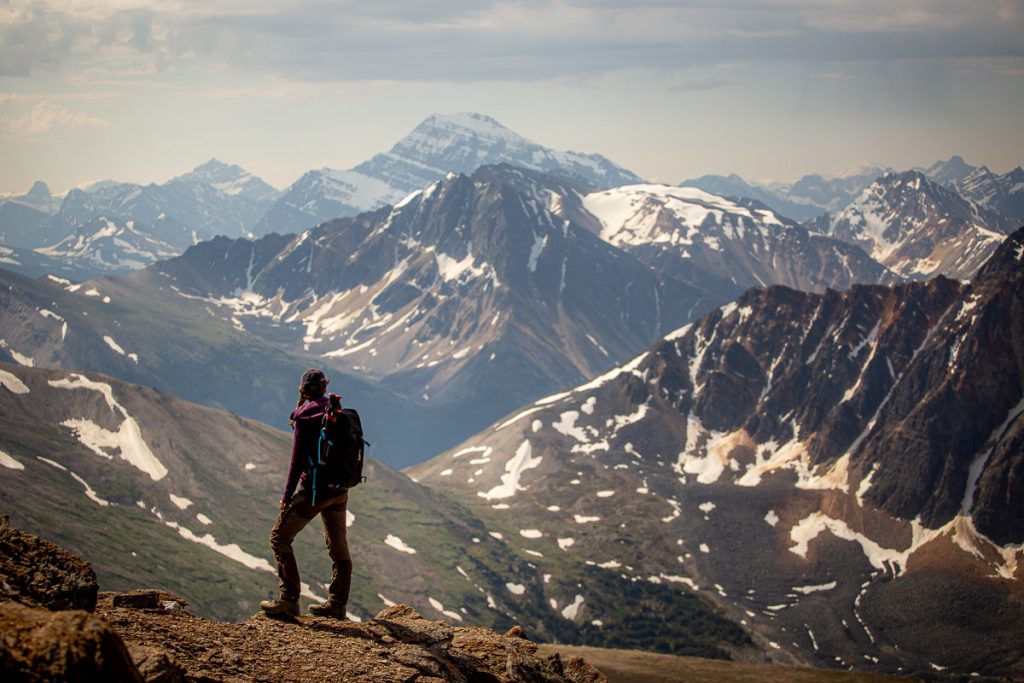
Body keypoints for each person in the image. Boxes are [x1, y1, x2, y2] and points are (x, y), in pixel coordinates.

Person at [260, 368, 352, 619]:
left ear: (303, 391)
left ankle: (289, 600)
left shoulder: (305, 418)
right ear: (324, 388)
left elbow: (297, 461)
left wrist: (287, 495)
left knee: (279, 538)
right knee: (339, 546)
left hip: (314, 492)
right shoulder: (336, 411)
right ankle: (337, 604)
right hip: (339, 491)